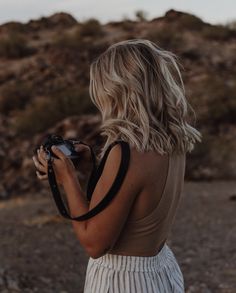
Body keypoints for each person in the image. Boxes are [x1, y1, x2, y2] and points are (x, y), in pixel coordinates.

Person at [32, 39, 202, 292]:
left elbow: (94, 244)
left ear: (116, 90)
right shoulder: (172, 141)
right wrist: (95, 167)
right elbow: (137, 198)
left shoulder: (126, 152)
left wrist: (67, 179)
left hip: (124, 280)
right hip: (160, 269)